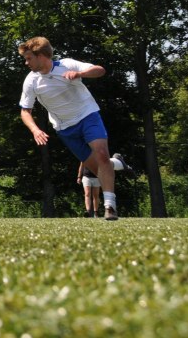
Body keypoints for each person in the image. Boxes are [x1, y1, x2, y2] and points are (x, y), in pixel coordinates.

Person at [18, 36, 119, 220]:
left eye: (29, 58)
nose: (26, 63)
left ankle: (110, 207)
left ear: (41, 55)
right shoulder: (31, 81)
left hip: (88, 115)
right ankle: (118, 164)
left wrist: (80, 74)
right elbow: (25, 111)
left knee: (102, 154)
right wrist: (35, 130)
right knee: (98, 169)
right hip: (65, 129)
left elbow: (99, 70)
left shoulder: (67, 64)